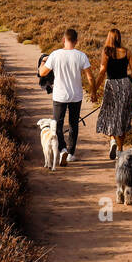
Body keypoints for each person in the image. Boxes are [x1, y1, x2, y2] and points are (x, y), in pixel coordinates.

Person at [38, 27, 93, 164]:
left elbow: (43, 73)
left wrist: (43, 62)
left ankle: (62, 149)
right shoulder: (81, 56)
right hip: (76, 95)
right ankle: (71, 153)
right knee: (74, 124)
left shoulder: (55, 55)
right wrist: (93, 92)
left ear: (63, 40)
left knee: (57, 123)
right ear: (76, 41)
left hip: (60, 95)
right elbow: (90, 77)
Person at [92, 28, 132, 161]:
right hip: (125, 85)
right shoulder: (127, 52)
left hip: (111, 86)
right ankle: (120, 149)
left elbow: (102, 72)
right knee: (122, 116)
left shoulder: (106, 52)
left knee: (110, 114)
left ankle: (112, 140)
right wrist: (127, 78)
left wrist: (95, 89)